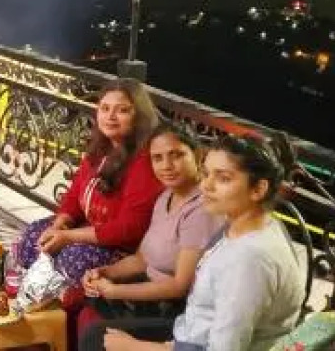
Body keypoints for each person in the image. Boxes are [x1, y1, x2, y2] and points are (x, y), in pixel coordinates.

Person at [82, 134, 306, 351]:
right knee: (95, 324)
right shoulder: (251, 226)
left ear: (258, 189)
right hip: (190, 331)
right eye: (206, 174)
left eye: (223, 178)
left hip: (195, 339)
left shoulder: (249, 260)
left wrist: (134, 347)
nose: (206, 186)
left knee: (96, 339)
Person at [15, 78, 164, 298]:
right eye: (105, 108)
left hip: (122, 249)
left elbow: (128, 228)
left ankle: (62, 309)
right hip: (89, 230)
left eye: (122, 110)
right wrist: (61, 223)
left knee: (71, 259)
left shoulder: (144, 161)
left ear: (139, 116)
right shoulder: (101, 149)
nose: (111, 116)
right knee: (33, 237)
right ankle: (32, 296)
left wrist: (69, 237)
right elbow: (75, 194)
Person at [77, 123, 221, 345]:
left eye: (177, 155)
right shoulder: (165, 197)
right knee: (89, 291)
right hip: (150, 296)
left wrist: (116, 291)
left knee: (95, 335)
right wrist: (105, 272)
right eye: (158, 158)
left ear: (198, 155)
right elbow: (141, 259)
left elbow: (179, 286)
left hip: (176, 310)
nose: (167, 166)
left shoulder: (201, 209)